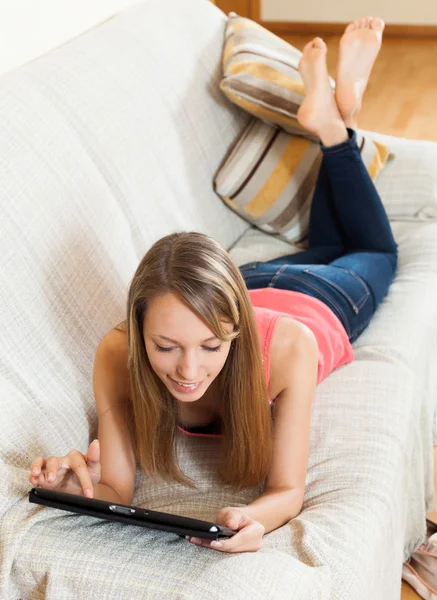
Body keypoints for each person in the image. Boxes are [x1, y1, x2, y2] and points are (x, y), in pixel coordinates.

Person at [28, 17, 396, 554]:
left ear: (234, 332)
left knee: (375, 253)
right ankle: (333, 121)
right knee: (326, 241)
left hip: (316, 302)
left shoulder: (291, 348)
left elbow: (288, 490)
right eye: (165, 346)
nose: (188, 371)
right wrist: (69, 483)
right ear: (138, 328)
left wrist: (256, 517)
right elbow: (117, 489)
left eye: (211, 348)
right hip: (243, 284)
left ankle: (336, 130)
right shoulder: (116, 353)